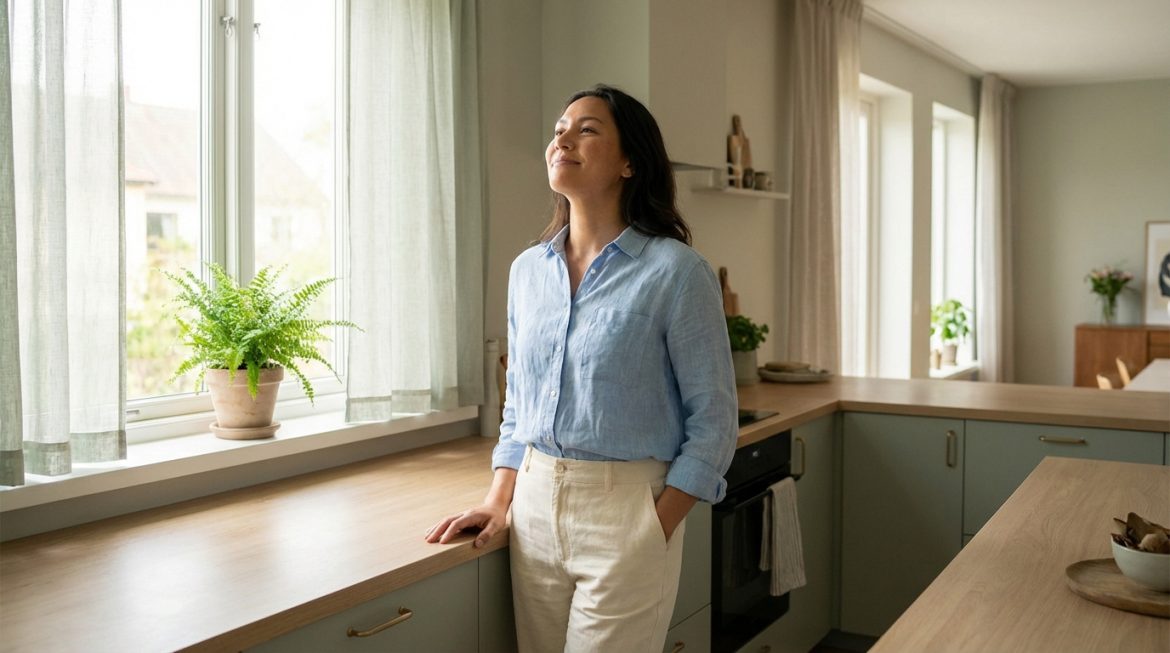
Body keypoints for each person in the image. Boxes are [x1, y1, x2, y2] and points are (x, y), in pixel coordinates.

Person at [425, 84, 737, 652]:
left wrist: (654, 527)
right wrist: (499, 501)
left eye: (586, 129)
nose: (562, 138)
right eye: (558, 129)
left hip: (629, 510)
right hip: (535, 508)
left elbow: (714, 424)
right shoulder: (528, 272)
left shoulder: (677, 271)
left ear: (628, 162)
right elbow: (519, 404)